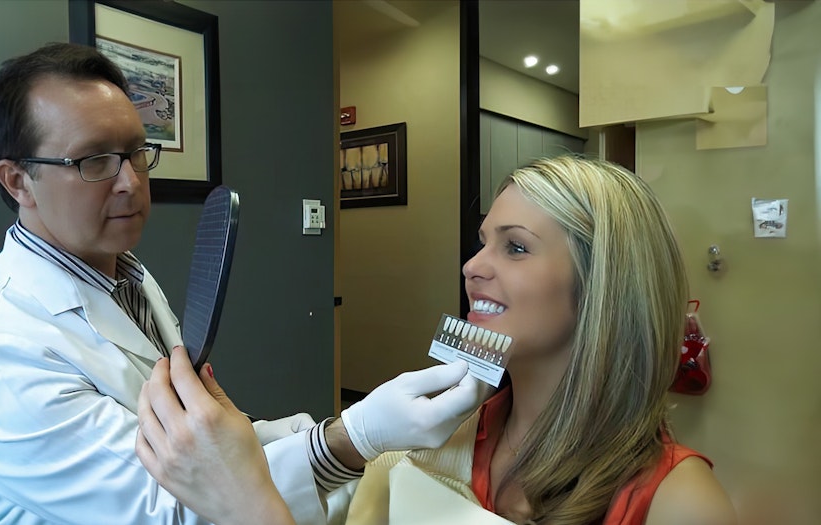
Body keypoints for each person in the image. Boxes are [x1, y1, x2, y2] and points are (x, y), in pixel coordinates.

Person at [0, 42, 489, 525]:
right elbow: (181, 505)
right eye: (95, 160)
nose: (130, 182)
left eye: (136, 153)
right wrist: (353, 439)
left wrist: (332, 432)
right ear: (18, 180)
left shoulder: (125, 275)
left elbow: (201, 452)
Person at [136, 155, 739, 525]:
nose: (472, 267)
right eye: (483, 242)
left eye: (516, 246)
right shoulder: (438, 439)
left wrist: (249, 507)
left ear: (605, 285)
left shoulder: (680, 504)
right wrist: (295, 449)